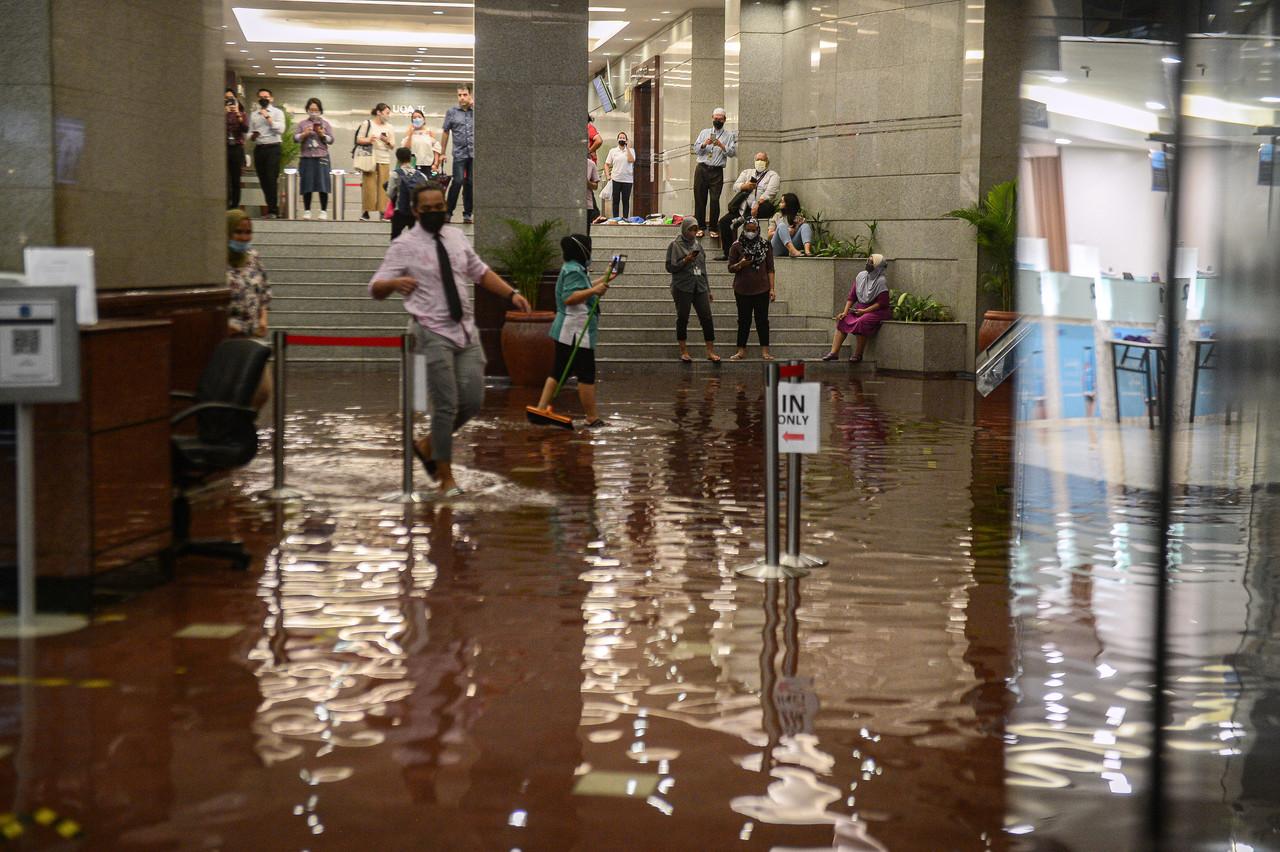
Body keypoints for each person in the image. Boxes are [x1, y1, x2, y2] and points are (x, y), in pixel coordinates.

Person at [368, 182, 531, 497]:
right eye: (427, 209)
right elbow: (375, 287)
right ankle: (445, 478)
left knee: (471, 401)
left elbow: (479, 272)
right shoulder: (404, 245)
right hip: (430, 330)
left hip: (465, 331)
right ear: (415, 211)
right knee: (444, 406)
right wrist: (393, 283)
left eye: (439, 207)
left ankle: (428, 445)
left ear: (447, 206)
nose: (434, 213)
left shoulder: (456, 237)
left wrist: (512, 294)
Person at [534, 235, 618, 427]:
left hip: (571, 330)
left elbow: (583, 287)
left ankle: (541, 408)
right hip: (576, 331)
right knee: (586, 373)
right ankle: (592, 417)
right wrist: (594, 291)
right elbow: (569, 297)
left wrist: (605, 278)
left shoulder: (574, 268)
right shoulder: (573, 270)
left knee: (559, 370)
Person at [226, 210, 272, 408]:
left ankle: (246, 423)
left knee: (263, 389)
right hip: (227, 338)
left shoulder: (253, 257)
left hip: (252, 334)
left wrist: (263, 319)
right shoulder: (215, 260)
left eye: (248, 232)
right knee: (231, 390)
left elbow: (264, 291)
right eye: (238, 232)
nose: (244, 238)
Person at [666, 218, 719, 363]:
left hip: (699, 285)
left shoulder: (698, 245)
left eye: (696, 229)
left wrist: (708, 289)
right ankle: (683, 350)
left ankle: (710, 351)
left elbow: (703, 269)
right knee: (683, 318)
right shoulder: (675, 245)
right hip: (683, 286)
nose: (694, 232)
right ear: (684, 229)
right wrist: (685, 260)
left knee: (707, 318)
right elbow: (670, 267)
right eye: (691, 229)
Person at [822, 253, 891, 363]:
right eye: (868, 261)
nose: (868, 264)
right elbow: (852, 297)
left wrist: (864, 311)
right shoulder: (861, 276)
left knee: (862, 321)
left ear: (878, 266)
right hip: (861, 309)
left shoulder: (881, 281)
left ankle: (858, 355)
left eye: (871, 262)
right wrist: (845, 312)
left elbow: (882, 303)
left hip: (877, 311)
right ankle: (834, 353)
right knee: (843, 319)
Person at [727, 218, 775, 361]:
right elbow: (730, 268)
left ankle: (765, 351)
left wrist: (772, 288)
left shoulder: (765, 245)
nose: (751, 232)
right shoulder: (736, 246)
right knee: (743, 320)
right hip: (742, 289)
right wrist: (741, 264)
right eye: (748, 229)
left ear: (758, 229)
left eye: (754, 230)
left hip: (762, 288)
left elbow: (771, 268)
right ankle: (741, 350)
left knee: (762, 321)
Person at [715, 151, 780, 259]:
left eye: (762, 160)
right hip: (743, 208)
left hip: (760, 207)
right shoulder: (747, 172)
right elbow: (735, 186)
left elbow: (771, 192)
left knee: (768, 208)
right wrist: (746, 186)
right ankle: (728, 253)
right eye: (758, 159)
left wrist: (758, 203)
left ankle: (743, 219)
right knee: (724, 222)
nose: (760, 162)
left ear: (767, 162)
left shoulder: (773, 175)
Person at [693, 107, 737, 240]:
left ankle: (713, 227)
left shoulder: (729, 136)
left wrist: (721, 145)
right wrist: (704, 144)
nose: (717, 121)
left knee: (714, 199)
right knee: (700, 199)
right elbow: (696, 149)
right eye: (715, 118)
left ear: (725, 120)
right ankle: (700, 227)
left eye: (720, 119)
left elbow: (732, 153)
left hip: (717, 171)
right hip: (702, 168)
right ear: (712, 118)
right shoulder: (704, 132)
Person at [294, 97, 335, 220]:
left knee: (323, 185)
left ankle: (323, 211)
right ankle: (307, 210)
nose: (313, 112)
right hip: (307, 158)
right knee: (307, 185)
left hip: (322, 157)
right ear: (307, 110)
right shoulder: (302, 124)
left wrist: (323, 135)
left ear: (320, 110)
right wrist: (304, 134)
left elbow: (332, 140)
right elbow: (295, 138)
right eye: (311, 109)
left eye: (316, 110)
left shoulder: (325, 124)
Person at [440, 84, 475, 224]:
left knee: (470, 183)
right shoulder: (452, 112)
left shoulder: (476, 111)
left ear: (470, 95)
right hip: (459, 153)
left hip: (474, 153)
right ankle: (448, 212)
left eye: (465, 94)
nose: (462, 98)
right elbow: (445, 132)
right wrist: (442, 153)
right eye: (459, 95)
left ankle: (467, 214)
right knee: (458, 181)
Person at [248, 88, 285, 218]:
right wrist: (252, 136)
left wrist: (267, 116)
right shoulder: (253, 115)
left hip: (273, 148)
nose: (264, 99)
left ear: (271, 98)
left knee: (271, 179)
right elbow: (249, 132)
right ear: (258, 99)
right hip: (259, 148)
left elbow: (280, 129)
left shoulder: (277, 112)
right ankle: (270, 208)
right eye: (261, 97)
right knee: (263, 180)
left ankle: (273, 210)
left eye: (266, 96)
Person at [357, 103, 395, 221]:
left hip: (384, 158)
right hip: (369, 158)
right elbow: (359, 139)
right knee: (368, 185)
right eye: (387, 113)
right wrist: (369, 139)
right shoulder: (367, 124)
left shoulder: (389, 127)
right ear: (379, 112)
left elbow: (392, 146)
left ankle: (383, 211)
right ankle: (366, 211)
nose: (388, 115)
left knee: (384, 186)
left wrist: (387, 141)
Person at [387, 147, 428, 241]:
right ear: (410, 158)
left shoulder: (395, 174)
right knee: (416, 239)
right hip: (416, 211)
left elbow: (390, 193)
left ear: (398, 159)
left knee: (395, 237)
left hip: (400, 210)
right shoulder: (421, 175)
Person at [769, 192, 814, 257]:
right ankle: (793, 251)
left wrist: (797, 226)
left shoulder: (798, 217)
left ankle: (807, 251)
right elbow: (769, 235)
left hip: (793, 246)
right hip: (778, 247)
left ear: (788, 204)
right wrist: (786, 231)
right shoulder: (777, 216)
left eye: (782, 202)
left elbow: (802, 233)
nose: (779, 204)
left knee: (805, 226)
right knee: (781, 226)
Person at [604, 131, 635, 219]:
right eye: (620, 138)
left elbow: (631, 160)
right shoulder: (613, 151)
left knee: (626, 201)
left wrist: (628, 148)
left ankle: (625, 219)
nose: (621, 139)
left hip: (627, 180)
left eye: (623, 138)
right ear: (617, 140)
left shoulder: (631, 151)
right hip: (615, 179)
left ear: (626, 140)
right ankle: (615, 219)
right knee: (615, 201)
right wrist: (608, 176)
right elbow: (606, 164)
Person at [225, 90, 247, 210]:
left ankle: (235, 204)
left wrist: (237, 113)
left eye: (231, 98)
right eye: (227, 99)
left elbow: (245, 128)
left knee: (235, 179)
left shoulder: (241, 114)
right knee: (224, 178)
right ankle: (225, 203)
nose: (230, 102)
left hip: (237, 149)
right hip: (223, 148)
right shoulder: (220, 114)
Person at [403, 109, 441, 175]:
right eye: (414, 118)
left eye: (419, 117)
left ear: (424, 119)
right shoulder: (410, 134)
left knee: (429, 183)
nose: (417, 119)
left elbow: (436, 148)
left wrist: (435, 163)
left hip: (428, 166)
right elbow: (405, 148)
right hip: (413, 166)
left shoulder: (429, 133)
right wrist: (410, 134)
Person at [586, 156, 600, 234]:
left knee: (586, 233)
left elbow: (595, 186)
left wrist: (588, 183)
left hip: (587, 204)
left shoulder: (591, 164)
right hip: (570, 204)